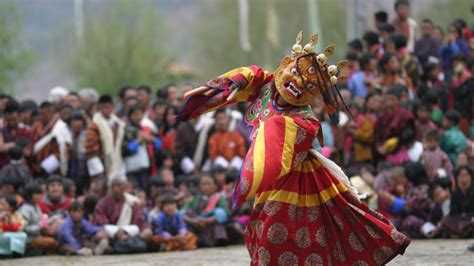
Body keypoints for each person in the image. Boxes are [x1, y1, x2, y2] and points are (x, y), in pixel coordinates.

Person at [179, 31, 410, 264]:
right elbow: (249, 76)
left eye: (309, 84)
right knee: (262, 230)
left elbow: (278, 138)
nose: (299, 82)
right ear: (287, 64)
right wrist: (224, 86)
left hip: (297, 179)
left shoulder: (306, 121)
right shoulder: (267, 84)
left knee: (283, 233)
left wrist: (248, 179)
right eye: (297, 73)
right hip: (269, 178)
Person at [94, 173, 152, 254]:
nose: (115, 189)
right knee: (99, 236)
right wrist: (117, 232)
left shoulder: (132, 202)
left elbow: (139, 221)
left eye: (118, 186)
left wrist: (126, 232)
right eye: (113, 186)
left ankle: (117, 248)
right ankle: (113, 247)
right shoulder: (102, 203)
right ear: (109, 188)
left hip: (131, 235)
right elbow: (102, 222)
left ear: (125, 188)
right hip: (113, 235)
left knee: (148, 232)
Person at [85, 95, 126, 191]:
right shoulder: (94, 125)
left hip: (117, 162)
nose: (105, 110)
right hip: (102, 162)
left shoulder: (118, 124)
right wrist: (98, 170)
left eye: (107, 107)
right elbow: (90, 149)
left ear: (112, 107)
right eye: (102, 107)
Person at [181, 175, 230, 247]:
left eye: (208, 184)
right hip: (196, 224)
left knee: (219, 212)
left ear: (215, 186)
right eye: (203, 184)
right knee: (188, 212)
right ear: (199, 187)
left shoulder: (219, 198)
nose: (206, 187)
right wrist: (194, 220)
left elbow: (224, 213)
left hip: (211, 223)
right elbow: (182, 212)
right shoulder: (194, 199)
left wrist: (206, 220)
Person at [122, 104, 162, 189]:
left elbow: (158, 144)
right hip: (132, 169)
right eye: (135, 114)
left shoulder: (146, 129)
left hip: (146, 167)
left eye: (140, 114)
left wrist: (151, 139)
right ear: (130, 116)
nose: (138, 117)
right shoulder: (125, 131)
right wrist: (138, 141)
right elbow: (125, 150)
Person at [18, 183, 58, 255]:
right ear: (29, 195)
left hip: (37, 235)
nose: (40, 196)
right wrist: (40, 227)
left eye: (40, 194)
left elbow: (41, 222)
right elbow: (24, 227)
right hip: (29, 239)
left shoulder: (36, 206)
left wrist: (51, 220)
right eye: (37, 194)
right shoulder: (25, 209)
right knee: (51, 242)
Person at [440, 166, 474, 238]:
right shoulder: (456, 193)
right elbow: (453, 212)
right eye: (461, 176)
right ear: (457, 179)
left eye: (466, 175)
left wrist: (467, 216)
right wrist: (461, 217)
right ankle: (462, 233)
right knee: (445, 220)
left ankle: (462, 233)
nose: (464, 179)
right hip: (459, 221)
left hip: (471, 220)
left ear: (471, 178)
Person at [0, 101, 33, 168]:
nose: (12, 122)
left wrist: (8, 146)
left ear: (19, 117)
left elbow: (28, 152)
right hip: (4, 168)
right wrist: (19, 145)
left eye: (14, 119)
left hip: (22, 168)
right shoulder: (2, 131)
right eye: (9, 120)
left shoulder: (26, 131)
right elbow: (1, 148)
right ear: (5, 118)